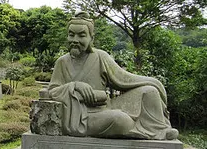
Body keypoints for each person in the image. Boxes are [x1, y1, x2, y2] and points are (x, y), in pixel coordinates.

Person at [48, 12, 178, 140]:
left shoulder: (101, 57)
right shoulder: (62, 62)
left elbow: (124, 79)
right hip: (83, 116)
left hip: (106, 107)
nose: (75, 40)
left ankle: (158, 130)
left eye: (81, 35)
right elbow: (51, 92)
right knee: (120, 120)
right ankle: (136, 128)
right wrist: (75, 86)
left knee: (150, 91)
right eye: (71, 35)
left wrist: (153, 82)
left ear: (91, 38)